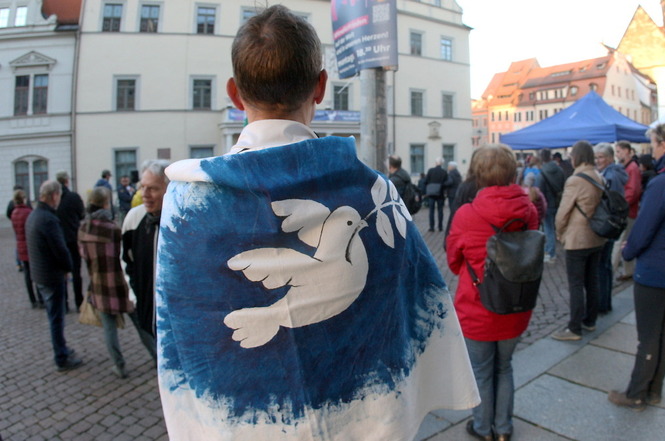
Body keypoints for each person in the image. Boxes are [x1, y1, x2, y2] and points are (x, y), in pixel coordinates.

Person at [155, 6, 478, 440]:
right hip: (359, 423)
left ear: (234, 93)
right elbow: (411, 301)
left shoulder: (188, 200)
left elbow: (183, 319)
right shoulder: (373, 193)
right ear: (321, 86)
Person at [446, 144, 538, 441]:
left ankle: (483, 428)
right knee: (505, 367)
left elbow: (453, 261)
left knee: (482, 371)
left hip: (478, 306)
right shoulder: (529, 210)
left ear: (477, 174)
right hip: (517, 304)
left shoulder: (466, 215)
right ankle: (504, 428)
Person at [608, 122, 665, 410]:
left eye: (653, 144)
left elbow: (645, 226)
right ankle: (654, 388)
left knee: (648, 334)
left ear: (663, 145)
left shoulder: (664, 181)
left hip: (657, 265)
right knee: (663, 330)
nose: (652, 150)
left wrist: (629, 249)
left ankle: (636, 392)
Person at [25, 180, 82, 372]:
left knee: (54, 316)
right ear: (54, 195)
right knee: (56, 319)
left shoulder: (34, 215)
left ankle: (62, 349)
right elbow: (61, 249)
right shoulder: (48, 219)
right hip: (51, 276)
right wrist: (69, 268)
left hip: (40, 275)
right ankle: (61, 357)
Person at [552, 141, 606, 341]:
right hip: (596, 236)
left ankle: (574, 327)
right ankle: (589, 321)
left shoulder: (576, 180)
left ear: (577, 156)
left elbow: (563, 212)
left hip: (577, 238)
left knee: (576, 284)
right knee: (592, 281)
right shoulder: (598, 175)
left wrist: (560, 232)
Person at [79, 187, 135, 379]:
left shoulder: (83, 228)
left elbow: (84, 256)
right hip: (120, 283)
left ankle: (119, 366)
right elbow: (124, 254)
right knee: (140, 323)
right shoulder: (112, 229)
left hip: (98, 284)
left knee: (109, 330)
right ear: (105, 203)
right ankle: (155, 357)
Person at [122, 160, 169, 362]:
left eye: (153, 189)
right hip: (147, 312)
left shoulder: (184, 219)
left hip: (177, 319)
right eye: (142, 187)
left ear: (169, 189)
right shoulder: (134, 218)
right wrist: (135, 297)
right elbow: (126, 260)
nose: (145, 194)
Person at [594, 143, 627, 314]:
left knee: (602, 265)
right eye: (596, 157)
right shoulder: (616, 172)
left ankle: (602, 303)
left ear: (609, 158)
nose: (598, 160)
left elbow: (609, 202)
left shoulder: (610, 175)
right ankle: (605, 301)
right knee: (605, 265)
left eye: (601, 157)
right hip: (614, 223)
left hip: (608, 223)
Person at [55, 171, 85, 311]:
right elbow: (81, 214)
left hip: (60, 239)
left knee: (63, 272)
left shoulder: (56, 199)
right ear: (67, 180)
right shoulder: (73, 197)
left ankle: (65, 303)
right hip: (73, 237)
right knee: (76, 272)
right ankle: (79, 301)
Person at [613, 141, 642, 282]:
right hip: (629, 210)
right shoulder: (629, 167)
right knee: (625, 241)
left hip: (627, 211)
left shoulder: (632, 168)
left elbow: (633, 191)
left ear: (626, 151)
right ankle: (628, 270)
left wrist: (622, 205)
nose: (617, 155)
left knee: (619, 243)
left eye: (618, 151)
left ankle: (610, 272)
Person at [11, 189, 43, 308]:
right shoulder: (28, 212)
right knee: (36, 272)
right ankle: (40, 298)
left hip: (20, 245)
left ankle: (32, 299)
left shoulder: (14, 212)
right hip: (30, 245)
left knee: (27, 273)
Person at [536, 148, 565, 264]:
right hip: (558, 202)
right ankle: (551, 251)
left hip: (546, 204)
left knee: (548, 229)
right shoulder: (559, 170)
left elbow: (538, 191)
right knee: (554, 227)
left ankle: (550, 252)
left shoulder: (541, 172)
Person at [424, 157, 449, 231]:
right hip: (440, 194)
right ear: (442, 163)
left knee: (431, 211)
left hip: (431, 194)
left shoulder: (430, 171)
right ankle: (440, 227)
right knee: (440, 210)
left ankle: (432, 227)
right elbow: (446, 183)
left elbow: (425, 181)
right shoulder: (444, 172)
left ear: (435, 163)